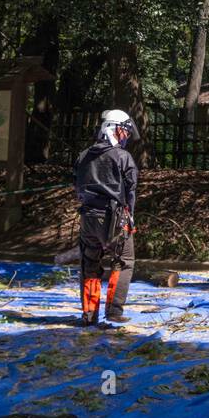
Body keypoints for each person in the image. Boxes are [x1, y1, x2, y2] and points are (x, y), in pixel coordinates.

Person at [74, 108, 139, 327]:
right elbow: (131, 189)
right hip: (114, 219)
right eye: (124, 131)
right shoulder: (122, 157)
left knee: (89, 264)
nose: (126, 136)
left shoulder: (83, 155)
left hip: (88, 217)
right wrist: (130, 215)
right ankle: (114, 311)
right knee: (124, 261)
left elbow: (78, 187)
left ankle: (89, 314)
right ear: (112, 129)